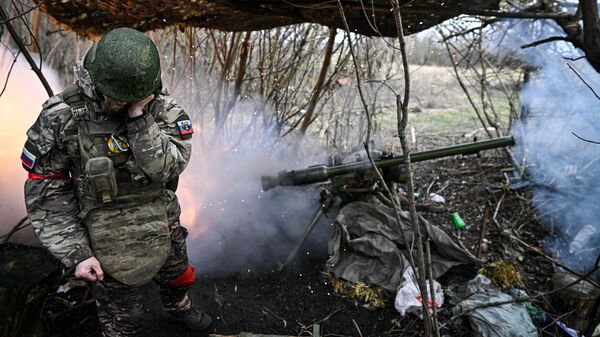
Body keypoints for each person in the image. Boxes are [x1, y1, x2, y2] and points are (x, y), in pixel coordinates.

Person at [21, 27, 211, 336]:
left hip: (160, 216)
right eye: (120, 99)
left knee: (178, 275)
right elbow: (47, 191)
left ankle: (178, 307)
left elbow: (169, 167)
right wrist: (77, 253)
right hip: (102, 227)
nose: (128, 103)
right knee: (125, 319)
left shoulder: (162, 107)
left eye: (137, 98)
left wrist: (139, 119)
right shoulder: (62, 116)